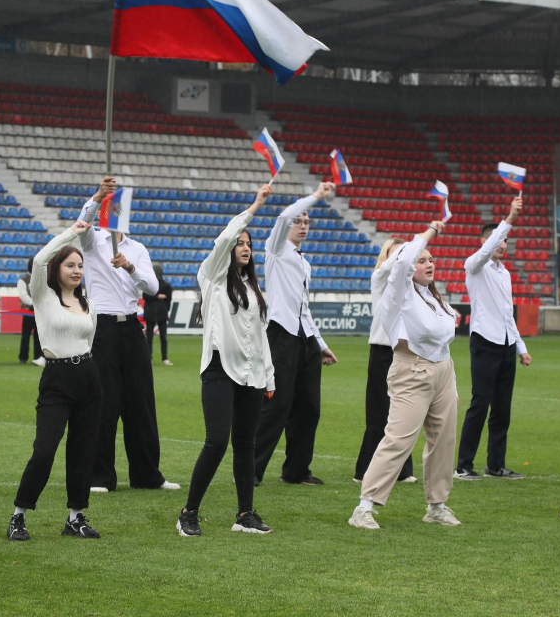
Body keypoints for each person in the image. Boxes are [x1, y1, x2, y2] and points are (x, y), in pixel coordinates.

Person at [177, 185, 276, 537]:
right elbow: (224, 240)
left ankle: (245, 514)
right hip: (220, 369)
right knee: (216, 441)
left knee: (245, 445)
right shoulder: (213, 277)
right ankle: (188, 512)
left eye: (249, 244)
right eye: (241, 243)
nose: (245, 248)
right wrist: (254, 207)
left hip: (252, 375)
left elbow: (260, 336)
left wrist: (269, 376)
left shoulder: (253, 289)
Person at [349, 221, 462, 530]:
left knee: (444, 440)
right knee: (398, 438)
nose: (429, 264)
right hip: (412, 369)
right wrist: (428, 233)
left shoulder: (433, 298)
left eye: (431, 259)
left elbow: (443, 339)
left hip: (442, 370)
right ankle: (364, 506)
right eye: (422, 260)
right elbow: (402, 262)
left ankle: (437, 505)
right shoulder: (398, 293)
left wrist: (450, 383)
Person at [77, 176, 178, 493]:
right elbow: (82, 223)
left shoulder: (138, 249)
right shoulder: (94, 242)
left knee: (141, 403)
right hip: (103, 328)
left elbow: (154, 287)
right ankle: (100, 476)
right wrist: (97, 196)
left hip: (133, 328)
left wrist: (130, 268)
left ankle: (147, 475)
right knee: (104, 402)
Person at [7, 220, 103, 541]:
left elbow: (89, 343)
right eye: (69, 265)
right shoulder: (44, 297)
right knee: (45, 449)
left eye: (80, 266)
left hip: (88, 378)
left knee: (83, 450)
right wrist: (72, 233)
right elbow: (38, 261)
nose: (76, 271)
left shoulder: (88, 304)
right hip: (56, 379)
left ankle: (75, 517)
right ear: (57, 268)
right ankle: (19, 515)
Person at [254, 182, 339, 487]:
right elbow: (281, 218)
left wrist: (321, 344)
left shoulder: (304, 261)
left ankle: (297, 470)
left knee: (309, 407)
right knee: (277, 404)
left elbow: (304, 310)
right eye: (298, 221)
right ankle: (252, 469)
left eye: (306, 222)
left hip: (304, 339)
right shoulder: (275, 249)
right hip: (281, 334)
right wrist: (316, 197)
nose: (303, 226)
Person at [455, 196, 532, 481]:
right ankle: (464, 466)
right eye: (498, 241)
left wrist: (520, 347)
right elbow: (487, 251)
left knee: (502, 408)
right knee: (480, 403)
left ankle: (495, 465)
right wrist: (509, 218)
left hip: (505, 345)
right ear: (486, 242)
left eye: (506, 242)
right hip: (484, 343)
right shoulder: (475, 266)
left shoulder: (506, 274)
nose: (503, 246)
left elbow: (507, 314)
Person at [354, 237, 417, 485]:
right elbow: (389, 268)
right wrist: (405, 251)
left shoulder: (410, 287)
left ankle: (402, 470)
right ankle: (364, 470)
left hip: (405, 352)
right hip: (382, 352)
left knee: (405, 412)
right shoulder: (379, 280)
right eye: (395, 253)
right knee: (378, 413)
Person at [143, 263, 173, 366]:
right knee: (149, 338)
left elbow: (168, 300)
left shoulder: (166, 285)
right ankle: (149, 358)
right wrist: (157, 296)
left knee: (163, 337)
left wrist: (165, 309)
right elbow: (145, 296)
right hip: (150, 313)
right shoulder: (149, 283)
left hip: (161, 314)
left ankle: (164, 358)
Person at [18, 257, 45, 367]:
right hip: (28, 311)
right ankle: (23, 357)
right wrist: (35, 304)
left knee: (38, 336)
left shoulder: (41, 278)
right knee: (26, 335)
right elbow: (23, 296)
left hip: (39, 312)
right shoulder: (23, 280)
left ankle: (38, 357)